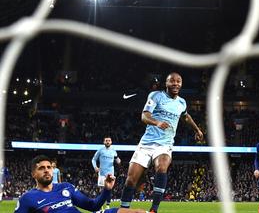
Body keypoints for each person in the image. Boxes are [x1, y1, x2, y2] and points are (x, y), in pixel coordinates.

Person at [119, 72, 204, 213]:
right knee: (130, 181)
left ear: (181, 84)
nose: (176, 83)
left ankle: (154, 209)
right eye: (172, 81)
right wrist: (157, 122)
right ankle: (123, 209)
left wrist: (197, 130)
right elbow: (144, 116)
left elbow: (186, 116)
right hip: (146, 144)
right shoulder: (156, 96)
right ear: (166, 83)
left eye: (178, 81)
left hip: (165, 144)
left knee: (162, 166)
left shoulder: (181, 102)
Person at [14, 155, 145, 213]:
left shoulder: (65, 187)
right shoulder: (27, 198)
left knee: (137, 212)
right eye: (41, 168)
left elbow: (93, 206)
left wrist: (106, 189)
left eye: (49, 167)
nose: (47, 170)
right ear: (33, 174)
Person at [93, 136, 121, 209]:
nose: (108, 142)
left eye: (109, 140)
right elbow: (93, 159)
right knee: (101, 190)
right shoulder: (100, 150)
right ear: (104, 142)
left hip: (110, 173)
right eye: (106, 140)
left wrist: (118, 160)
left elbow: (118, 161)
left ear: (111, 142)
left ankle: (108, 205)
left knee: (109, 189)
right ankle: (100, 205)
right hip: (102, 173)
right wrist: (95, 167)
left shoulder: (114, 151)